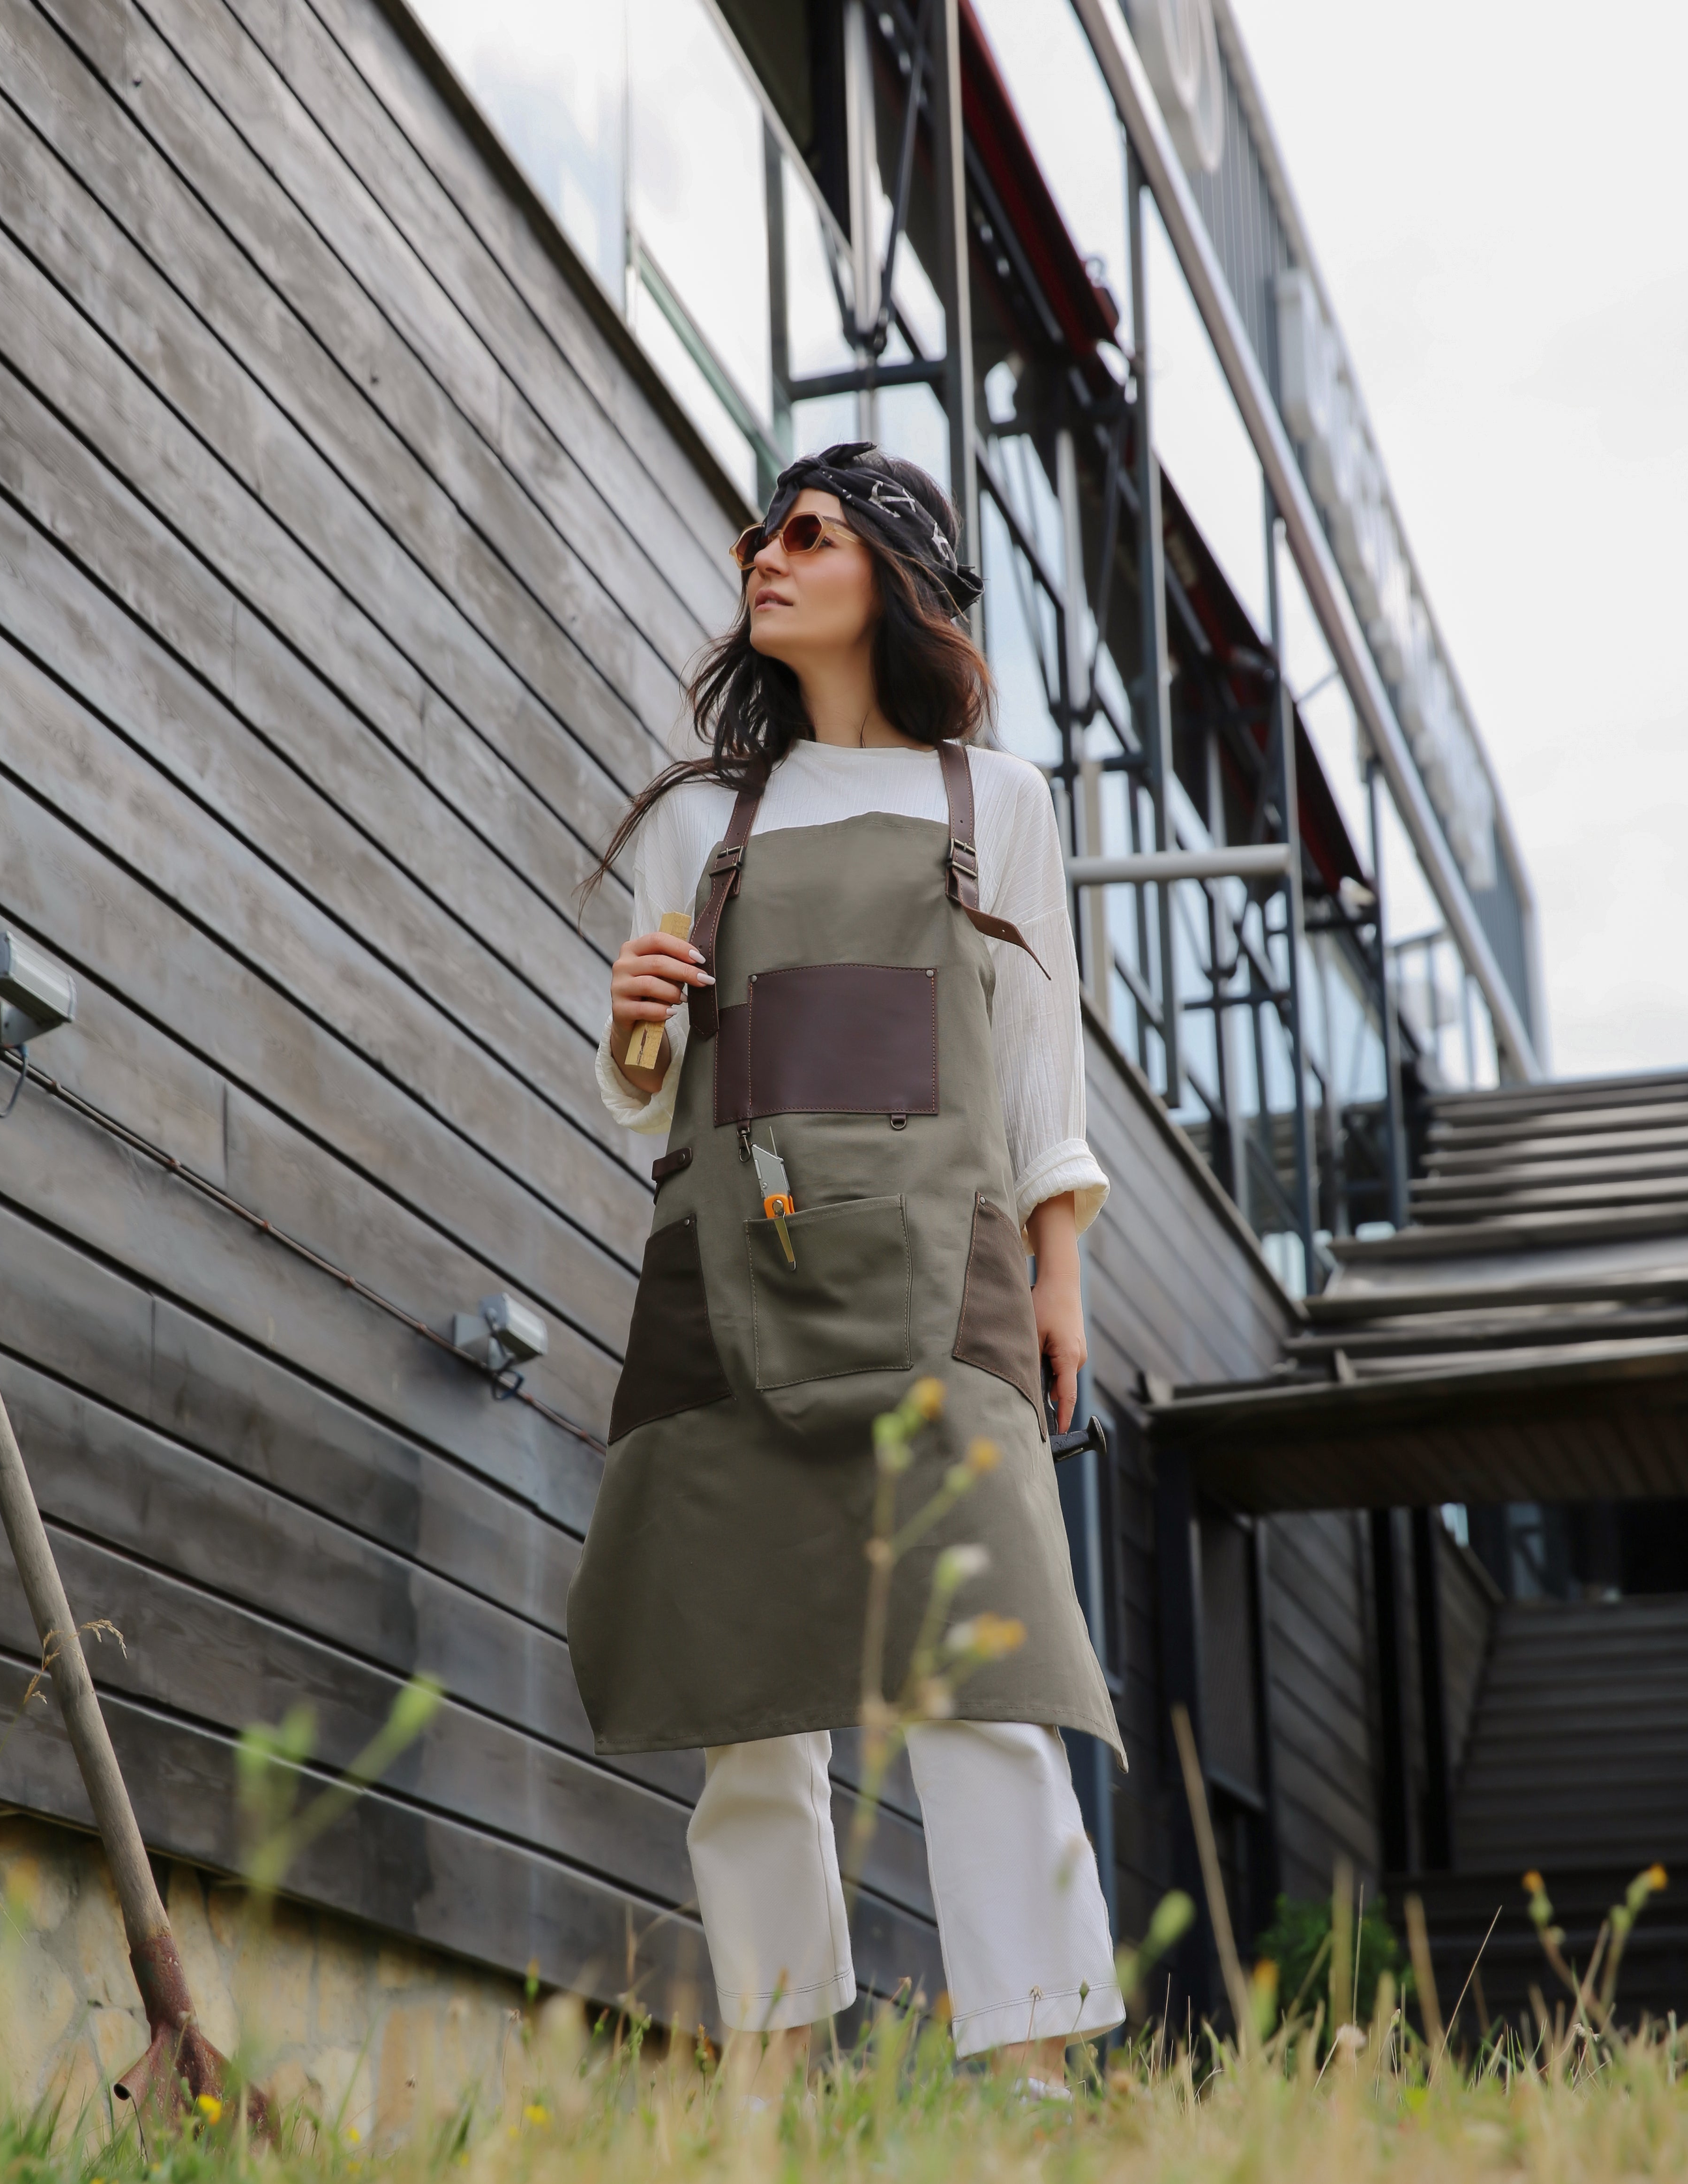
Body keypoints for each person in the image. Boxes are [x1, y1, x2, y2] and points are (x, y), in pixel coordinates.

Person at [567, 443, 1124, 2082]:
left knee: (986, 1669)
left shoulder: (995, 801)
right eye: (760, 534)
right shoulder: (701, 820)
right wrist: (629, 1022)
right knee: (747, 1693)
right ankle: (771, 2068)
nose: (767, 556)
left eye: (806, 535)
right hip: (726, 1288)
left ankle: (1027, 2072)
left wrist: (1058, 1271)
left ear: (889, 570)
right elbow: (648, 1095)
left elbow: (1038, 1065)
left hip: (938, 1281)